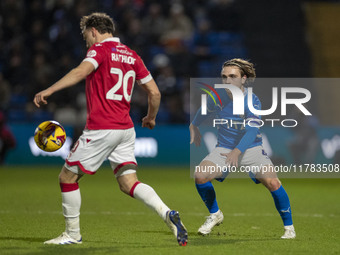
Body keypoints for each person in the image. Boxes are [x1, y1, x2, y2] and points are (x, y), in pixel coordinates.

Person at [33, 12, 187, 246]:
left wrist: (49, 90)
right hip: (126, 128)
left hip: (102, 128)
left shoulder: (99, 50)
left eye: (86, 35)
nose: (86, 41)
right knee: (129, 183)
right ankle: (167, 213)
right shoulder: (133, 55)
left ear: (94, 30)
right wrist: (150, 117)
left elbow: (80, 72)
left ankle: (72, 234)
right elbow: (155, 92)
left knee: (67, 177)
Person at [189, 58, 296, 239]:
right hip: (224, 148)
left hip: (251, 148)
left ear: (243, 79)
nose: (227, 81)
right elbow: (203, 110)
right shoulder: (217, 96)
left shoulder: (252, 100)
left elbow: (252, 130)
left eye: (232, 76)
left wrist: (237, 152)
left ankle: (289, 228)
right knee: (200, 175)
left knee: (273, 182)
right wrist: (194, 126)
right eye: (224, 77)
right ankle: (215, 214)